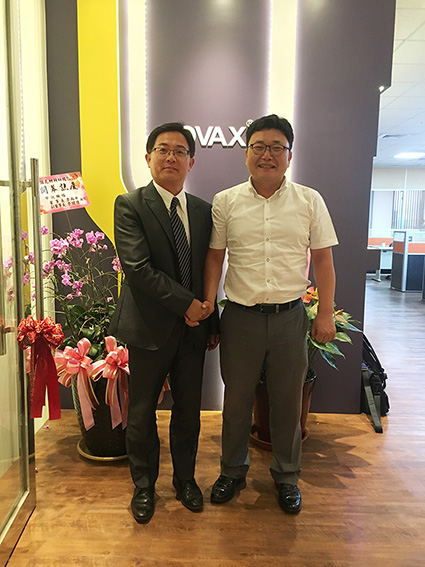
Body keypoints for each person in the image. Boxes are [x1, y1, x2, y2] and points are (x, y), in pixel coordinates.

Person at [203, 114, 338, 514]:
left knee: (287, 403)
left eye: (277, 147)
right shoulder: (226, 201)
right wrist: (209, 309)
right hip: (240, 318)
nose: (267, 155)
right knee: (236, 402)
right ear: (246, 154)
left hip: (289, 319)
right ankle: (231, 472)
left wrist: (325, 313)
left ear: (289, 155)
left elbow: (323, 260)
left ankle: (287, 477)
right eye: (259, 146)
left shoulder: (309, 200)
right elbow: (215, 259)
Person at [109, 122, 219, 524]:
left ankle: (185, 480)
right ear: (148, 158)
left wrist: (210, 319)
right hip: (149, 329)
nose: (171, 157)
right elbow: (138, 269)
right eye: (162, 149)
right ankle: (144, 486)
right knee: (141, 413)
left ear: (192, 161)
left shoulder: (204, 211)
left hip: (194, 331)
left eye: (179, 151)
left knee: (189, 412)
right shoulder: (131, 205)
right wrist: (187, 304)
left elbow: (209, 268)